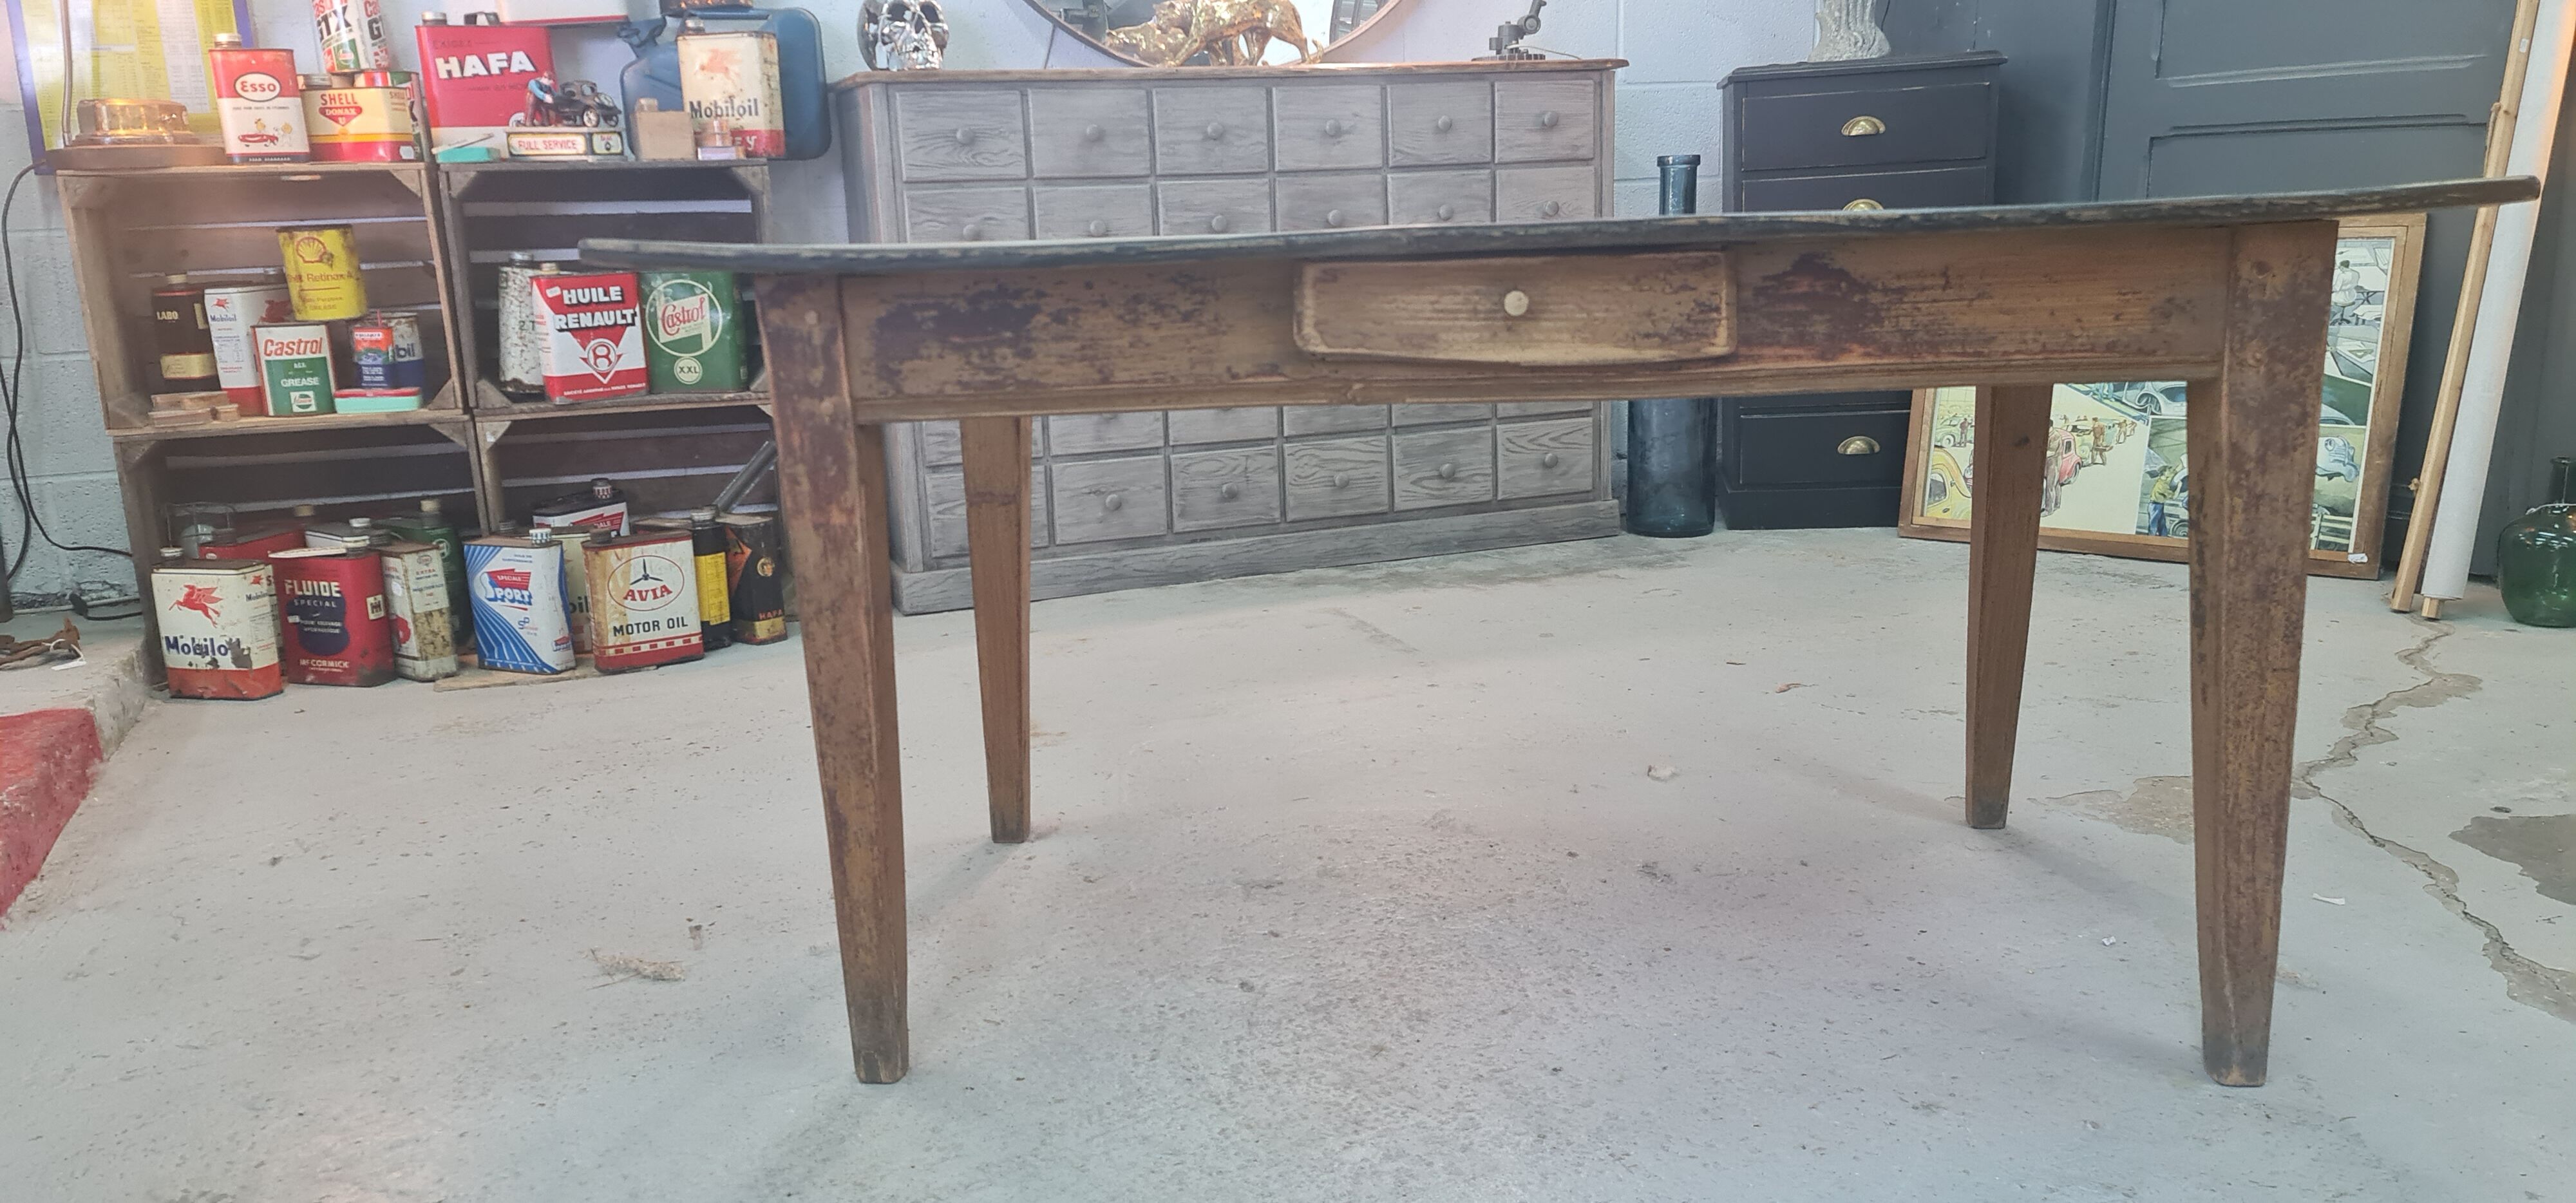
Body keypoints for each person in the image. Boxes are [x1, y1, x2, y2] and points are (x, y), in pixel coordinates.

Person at [2147, 467, 2180, 537]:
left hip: (2158, 505)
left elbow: (2174, 473)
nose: (2171, 472)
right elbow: (2173, 497)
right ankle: (2151, 539)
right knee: (2154, 524)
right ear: (2164, 473)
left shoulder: (2162, 481)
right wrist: (2179, 487)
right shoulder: (2162, 486)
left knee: (2161, 524)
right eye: (2169, 470)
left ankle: (2163, 537)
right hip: (2156, 506)